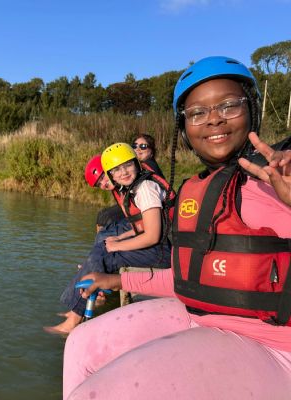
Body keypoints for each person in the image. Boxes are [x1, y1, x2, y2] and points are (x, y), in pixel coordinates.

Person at [63, 56, 291, 399]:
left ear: (252, 110)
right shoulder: (194, 192)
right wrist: (115, 280)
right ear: (183, 128)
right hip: (200, 316)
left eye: (229, 105)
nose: (214, 118)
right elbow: (186, 279)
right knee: (81, 344)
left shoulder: (281, 176)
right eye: (197, 112)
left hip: (274, 345)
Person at [44, 143, 172, 334]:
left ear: (137, 163)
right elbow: (141, 227)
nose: (123, 172)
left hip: (165, 253)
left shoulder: (145, 189)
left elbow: (152, 236)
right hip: (160, 247)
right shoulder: (134, 188)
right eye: (117, 170)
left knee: (105, 254)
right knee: (103, 247)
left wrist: (117, 246)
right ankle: (76, 309)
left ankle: (75, 316)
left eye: (127, 166)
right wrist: (119, 239)